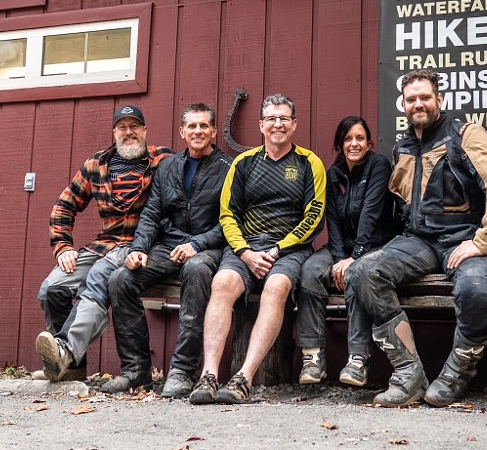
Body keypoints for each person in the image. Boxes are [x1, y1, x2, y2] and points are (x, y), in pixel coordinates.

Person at [349, 69, 487, 407]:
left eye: (425, 97)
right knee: (363, 272)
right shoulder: (403, 145)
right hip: (419, 241)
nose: (418, 104)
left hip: (463, 239)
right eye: (411, 99)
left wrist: (482, 242)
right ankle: (408, 374)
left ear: (439, 99)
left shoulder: (465, 134)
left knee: (475, 290)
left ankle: (457, 372)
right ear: (403, 104)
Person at [188, 94, 327, 404]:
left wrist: (278, 249)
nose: (277, 124)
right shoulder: (244, 162)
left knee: (276, 286)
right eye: (271, 119)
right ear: (261, 125)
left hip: (289, 250)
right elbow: (228, 213)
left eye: (284, 118)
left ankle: (243, 378)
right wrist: (245, 252)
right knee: (222, 283)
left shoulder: (308, 162)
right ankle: (208, 376)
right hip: (245, 249)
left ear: (294, 124)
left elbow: (314, 215)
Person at [35, 105, 172, 384]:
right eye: (122, 127)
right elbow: (63, 207)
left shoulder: (163, 160)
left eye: (135, 126)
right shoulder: (96, 165)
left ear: (145, 131)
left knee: (97, 278)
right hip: (104, 244)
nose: (129, 132)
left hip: (141, 245)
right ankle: (72, 366)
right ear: (114, 132)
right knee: (52, 288)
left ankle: (66, 350)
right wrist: (63, 247)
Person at [104, 104, 232, 395]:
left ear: (213, 131)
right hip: (168, 245)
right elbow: (150, 214)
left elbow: (232, 222)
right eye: (192, 126)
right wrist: (139, 249)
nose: (197, 131)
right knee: (120, 279)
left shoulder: (229, 168)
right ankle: (136, 371)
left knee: (196, 269)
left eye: (203, 126)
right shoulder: (169, 166)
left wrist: (197, 244)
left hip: (208, 246)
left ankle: (182, 371)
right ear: (182, 132)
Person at [295, 116, 399, 387]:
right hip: (343, 246)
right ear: (340, 144)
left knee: (355, 276)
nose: (354, 144)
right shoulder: (334, 173)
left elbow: (371, 214)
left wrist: (354, 258)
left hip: (374, 244)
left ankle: (357, 359)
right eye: (348, 139)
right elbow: (333, 220)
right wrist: (341, 257)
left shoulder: (378, 165)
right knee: (310, 271)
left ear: (368, 142)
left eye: (360, 138)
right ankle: (313, 356)